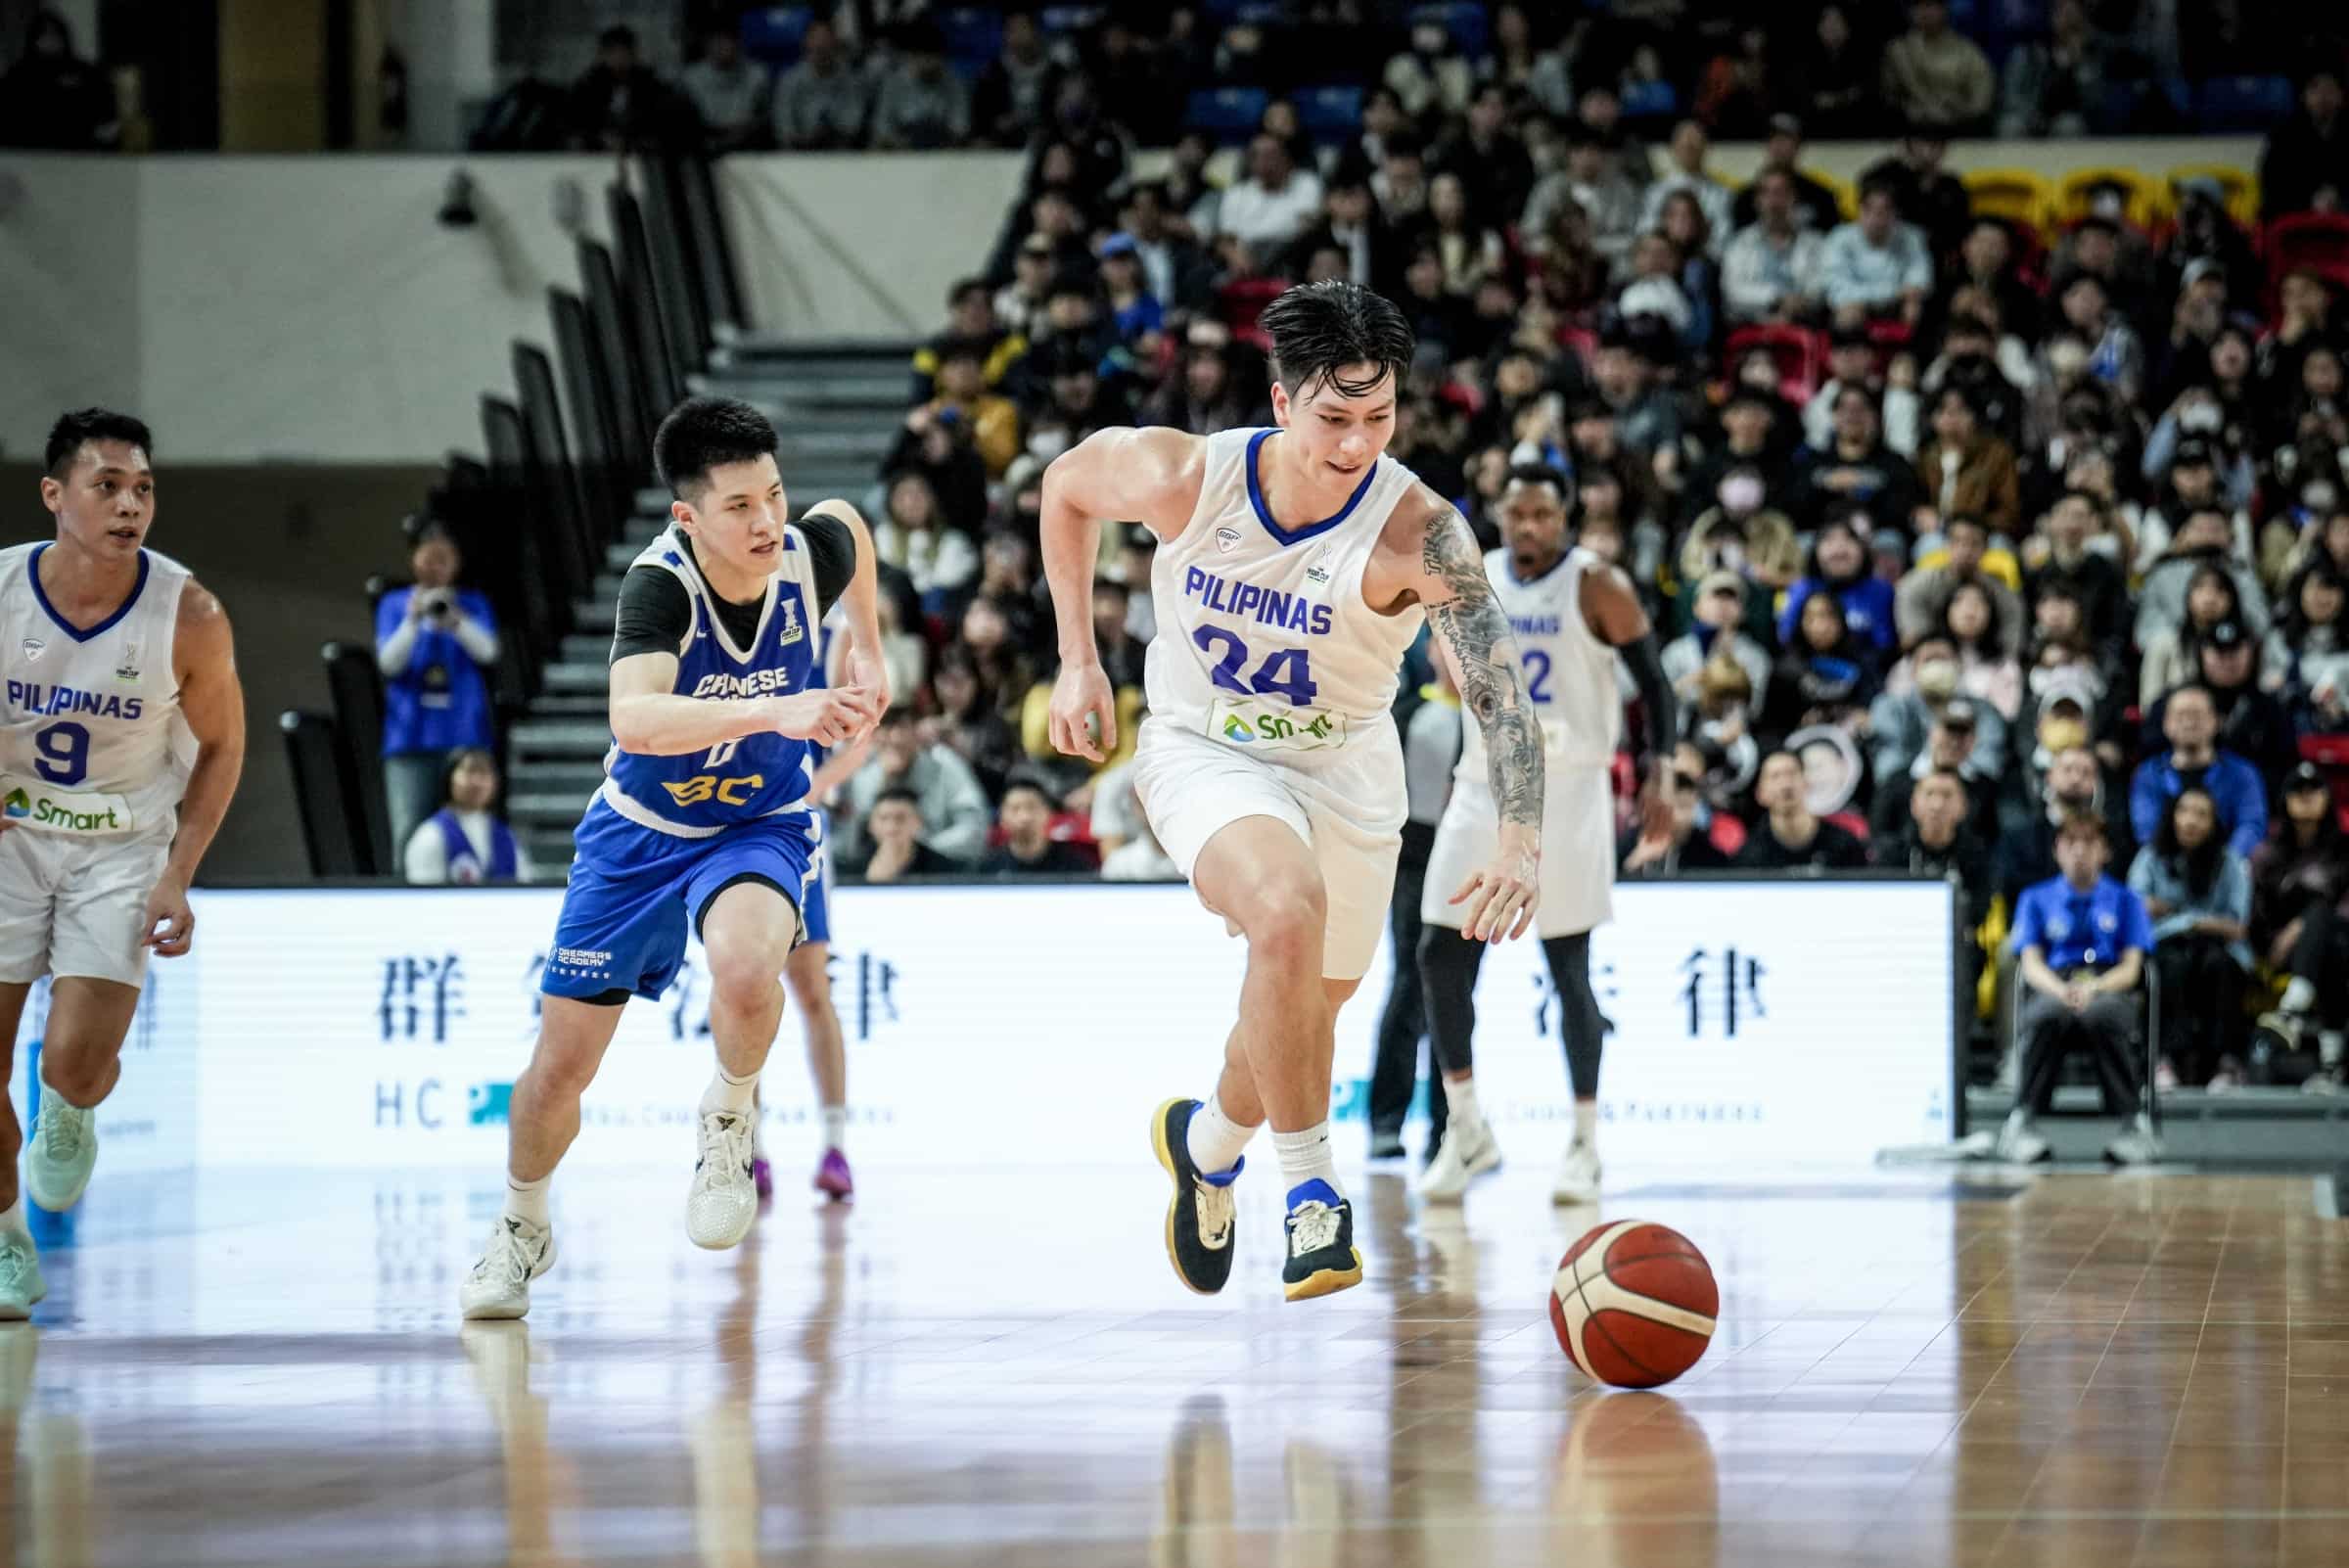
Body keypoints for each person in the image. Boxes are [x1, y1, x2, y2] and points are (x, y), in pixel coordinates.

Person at [1039, 281, 1545, 1304]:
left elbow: (1499, 693)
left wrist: (1522, 835)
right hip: (1203, 748)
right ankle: (1314, 1196)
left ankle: (1208, 1143)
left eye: (1379, 416)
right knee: (1285, 912)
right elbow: (1064, 486)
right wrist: (1077, 658)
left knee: (1303, 1011)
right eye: (1333, 418)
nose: (1357, 443)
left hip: (1349, 769)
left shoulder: (1424, 533)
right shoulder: (1187, 475)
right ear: (1280, 405)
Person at [459, 397, 888, 1320]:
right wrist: (779, 709)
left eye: (773, 494)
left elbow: (850, 521)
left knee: (746, 965)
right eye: (739, 507)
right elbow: (635, 721)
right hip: (638, 839)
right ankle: (521, 1224)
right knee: (556, 1073)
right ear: (687, 519)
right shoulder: (660, 590)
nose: (768, 520)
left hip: (761, 823)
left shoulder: (806, 555)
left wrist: (871, 652)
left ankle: (728, 1116)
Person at [0, 409, 245, 1316]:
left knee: (72, 1060)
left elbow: (222, 748)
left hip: (122, 841)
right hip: (11, 838)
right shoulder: (0, 593)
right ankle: (6, 1237)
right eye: (107, 486)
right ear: (55, 496)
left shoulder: (190, 612)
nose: (130, 504)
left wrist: (179, 871)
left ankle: (71, 1104)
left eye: (142, 488)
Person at [1415, 464, 1677, 1207]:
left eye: (1542, 514)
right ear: (1499, 513)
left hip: (1570, 785)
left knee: (1569, 966)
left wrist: (1662, 772)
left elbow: (1654, 686)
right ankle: (1465, 1126)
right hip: (1482, 782)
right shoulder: (1473, 575)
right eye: (1516, 512)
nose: (1528, 527)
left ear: (1564, 518)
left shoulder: (1597, 584)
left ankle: (1585, 1144)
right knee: (1439, 951)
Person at [2001, 814, 2159, 1166]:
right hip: (2053, 983)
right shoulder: (2035, 898)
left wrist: (2095, 988)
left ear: (2104, 851)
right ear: (2057, 850)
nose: (2079, 852)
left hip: (2108, 984)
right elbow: (2030, 963)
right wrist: (2060, 990)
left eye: (2089, 843)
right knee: (2044, 1015)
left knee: (2103, 1015)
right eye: (2070, 843)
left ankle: (2132, 1123)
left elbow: (2132, 968)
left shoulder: (2127, 899)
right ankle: (2023, 1120)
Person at [1366, 656, 1458, 1163]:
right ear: (1431, 653)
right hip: (1412, 863)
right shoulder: (1405, 716)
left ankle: (1450, 1128)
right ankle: (1386, 1120)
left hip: (1470, 864)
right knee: (1408, 986)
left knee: (1456, 996)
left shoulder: (1493, 717)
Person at [376, 521, 500, 849]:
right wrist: (413, 619)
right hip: (411, 738)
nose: (437, 566)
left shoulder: (472, 604)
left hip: (463, 735)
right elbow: (389, 662)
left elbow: (488, 652)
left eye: (444, 559)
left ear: (456, 562)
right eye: (429, 558)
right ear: (414, 560)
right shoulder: (394, 604)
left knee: (469, 833)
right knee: (409, 832)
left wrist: (456, 620)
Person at [2128, 788, 2252, 1088]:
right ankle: (2165, 1060)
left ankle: (2224, 1064)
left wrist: (2181, 919)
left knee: (2220, 965)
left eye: (2201, 814)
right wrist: (2199, 921)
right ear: (2172, 817)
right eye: (2184, 811)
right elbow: (2134, 912)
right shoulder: (2151, 858)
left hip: (2219, 947)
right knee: (2170, 965)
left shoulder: (2230, 863)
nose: (2191, 821)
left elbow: (2237, 926)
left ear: (2213, 823)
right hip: (2165, 947)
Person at [2129, 684, 2267, 861]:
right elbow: (2146, 831)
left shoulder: (2242, 773)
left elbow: (2251, 825)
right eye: (2180, 716)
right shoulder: (2148, 774)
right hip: (2165, 873)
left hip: (2227, 871)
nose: (2189, 723)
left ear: (2217, 721)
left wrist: (2225, 865)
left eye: (2197, 715)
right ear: (2166, 724)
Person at [403, 747, 532, 885]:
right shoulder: (431, 835)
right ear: (449, 778)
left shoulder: (507, 837)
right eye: (470, 772)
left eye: (484, 773)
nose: (477, 781)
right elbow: (423, 897)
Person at [1738, 750, 1869, 869]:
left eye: (1792, 773)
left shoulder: (1845, 846)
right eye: (1775, 776)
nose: (1786, 784)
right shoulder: (1750, 856)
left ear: (1807, 783)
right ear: (1760, 794)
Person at [680, 27, 771, 153]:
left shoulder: (757, 75)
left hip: (747, 143)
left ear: (738, 44)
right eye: (717, 42)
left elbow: (764, 118)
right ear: (707, 45)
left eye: (727, 41)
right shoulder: (691, 78)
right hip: (704, 145)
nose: (722, 47)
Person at [978, 776, 1092, 874]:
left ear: (1049, 813)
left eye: (1032, 807)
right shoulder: (987, 868)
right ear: (1001, 817)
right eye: (1015, 809)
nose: (1025, 817)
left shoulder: (1075, 866)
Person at [855, 786, 961, 881]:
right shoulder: (852, 865)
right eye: (883, 818)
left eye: (900, 818)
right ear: (870, 824)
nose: (891, 828)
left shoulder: (944, 869)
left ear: (918, 822)